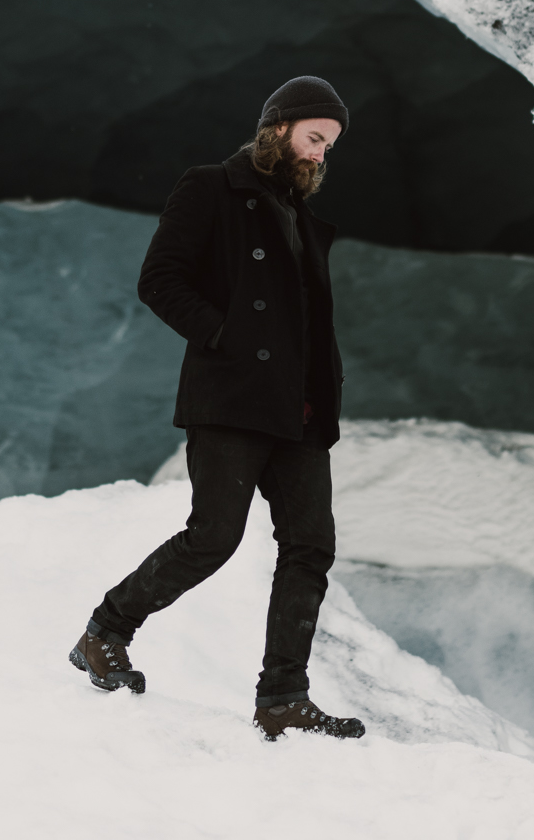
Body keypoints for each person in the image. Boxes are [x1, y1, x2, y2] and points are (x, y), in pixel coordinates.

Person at [68, 76, 367, 741]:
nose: (321, 153)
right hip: (233, 396)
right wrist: (225, 335)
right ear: (281, 126)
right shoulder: (212, 187)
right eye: (315, 137)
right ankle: (104, 632)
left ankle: (283, 696)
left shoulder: (302, 217)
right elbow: (160, 279)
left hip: (299, 410)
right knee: (214, 536)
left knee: (310, 545)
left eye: (330, 145)